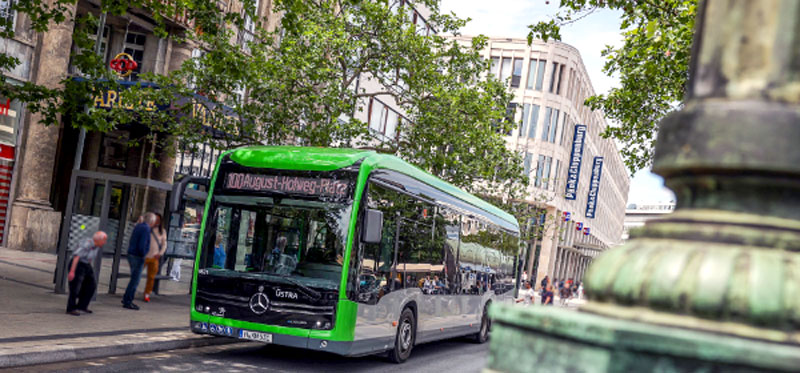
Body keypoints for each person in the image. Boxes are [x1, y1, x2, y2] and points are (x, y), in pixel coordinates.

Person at [66, 231, 107, 316]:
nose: (105, 242)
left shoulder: (97, 246)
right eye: (104, 240)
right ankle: (71, 308)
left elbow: (90, 257)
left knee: (91, 285)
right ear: (99, 239)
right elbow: (76, 256)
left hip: (86, 264)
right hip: (77, 264)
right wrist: (72, 271)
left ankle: (82, 306)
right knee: (75, 287)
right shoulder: (87, 244)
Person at [123, 212, 156, 310]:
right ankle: (128, 301)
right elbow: (142, 244)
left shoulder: (139, 226)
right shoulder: (146, 229)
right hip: (138, 256)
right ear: (152, 221)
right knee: (135, 280)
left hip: (131, 254)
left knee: (133, 279)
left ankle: (126, 298)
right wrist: (144, 254)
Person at [143, 213, 167, 303]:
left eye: (158, 219)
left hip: (154, 257)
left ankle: (147, 294)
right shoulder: (147, 228)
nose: (156, 221)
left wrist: (160, 254)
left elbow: (164, 244)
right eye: (155, 219)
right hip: (145, 256)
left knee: (151, 277)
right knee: (137, 275)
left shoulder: (162, 231)